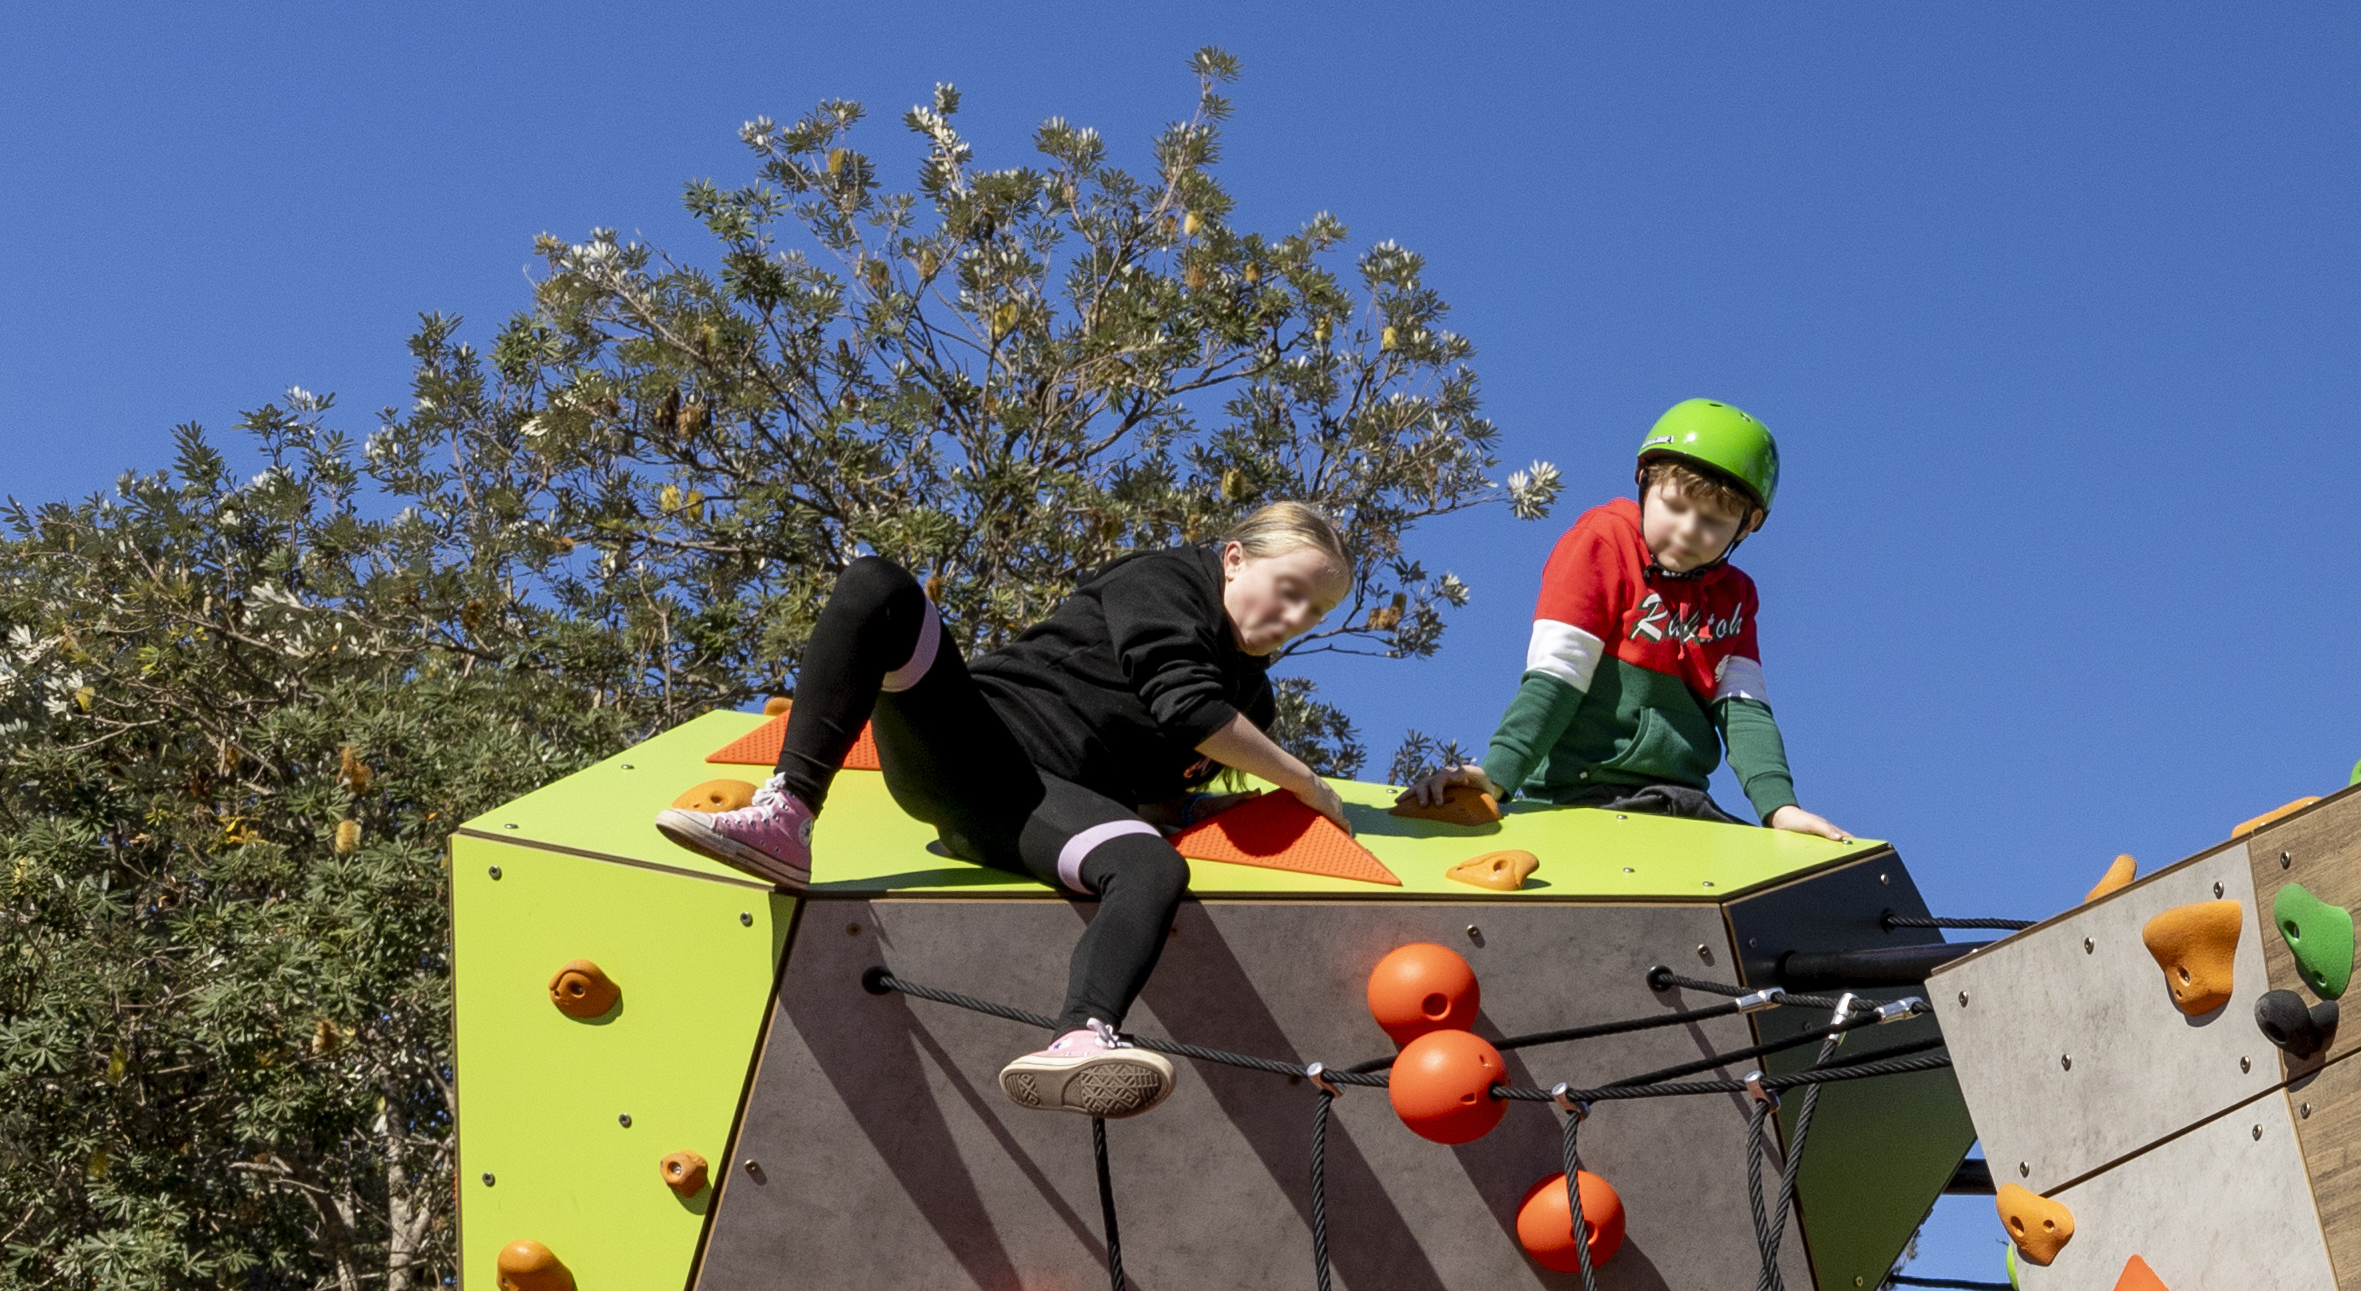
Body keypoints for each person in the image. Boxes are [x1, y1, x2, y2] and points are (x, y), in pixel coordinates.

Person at [652, 511, 1361, 1115]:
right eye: (1290, 591)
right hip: (973, 746)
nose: (1295, 619)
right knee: (879, 585)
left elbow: (1162, 797)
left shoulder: (1251, 703)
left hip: (1031, 811)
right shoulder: (1168, 582)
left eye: (1316, 612)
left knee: (1150, 868)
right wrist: (1308, 783)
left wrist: (1219, 805)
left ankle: (1081, 1037)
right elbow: (1185, 704)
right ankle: (788, 814)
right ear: (1235, 559)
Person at [1416, 399, 1851, 837]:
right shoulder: (1601, 543)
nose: (1688, 530)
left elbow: (1743, 712)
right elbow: (1557, 674)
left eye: (1713, 520)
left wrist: (1779, 808)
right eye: (1675, 506)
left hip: (1680, 801)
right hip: (1582, 794)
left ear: (1747, 524)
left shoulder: (1735, 597)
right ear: (1644, 481)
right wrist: (1498, 775)